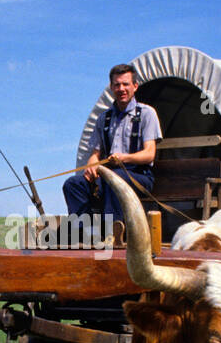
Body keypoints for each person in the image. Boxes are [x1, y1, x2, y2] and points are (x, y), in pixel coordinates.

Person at [62, 64, 162, 240]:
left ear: (135, 86)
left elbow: (149, 154)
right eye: (117, 85)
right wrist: (92, 165)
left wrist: (125, 158)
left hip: (138, 177)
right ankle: (83, 233)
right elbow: (95, 153)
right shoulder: (104, 118)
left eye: (125, 84)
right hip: (109, 177)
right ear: (111, 87)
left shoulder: (147, 114)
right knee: (73, 184)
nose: (121, 89)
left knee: (112, 181)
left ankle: (113, 234)